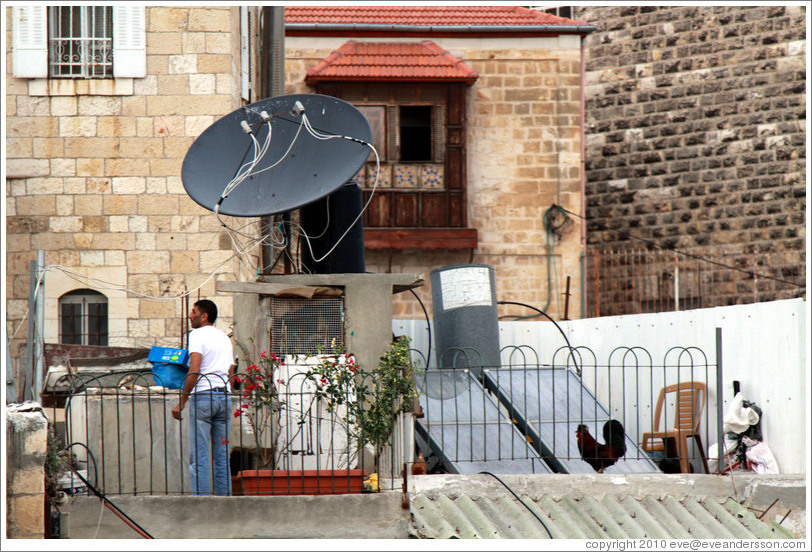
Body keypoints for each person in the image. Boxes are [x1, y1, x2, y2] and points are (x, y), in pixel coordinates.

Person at [172, 299, 234, 495]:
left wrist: (181, 402)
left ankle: (203, 504)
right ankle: (225, 502)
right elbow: (231, 372)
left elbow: (195, 369)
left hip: (203, 398)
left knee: (199, 456)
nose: (190, 315)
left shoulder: (196, 335)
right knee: (222, 456)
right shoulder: (224, 337)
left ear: (204, 316)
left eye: (194, 311)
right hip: (224, 398)